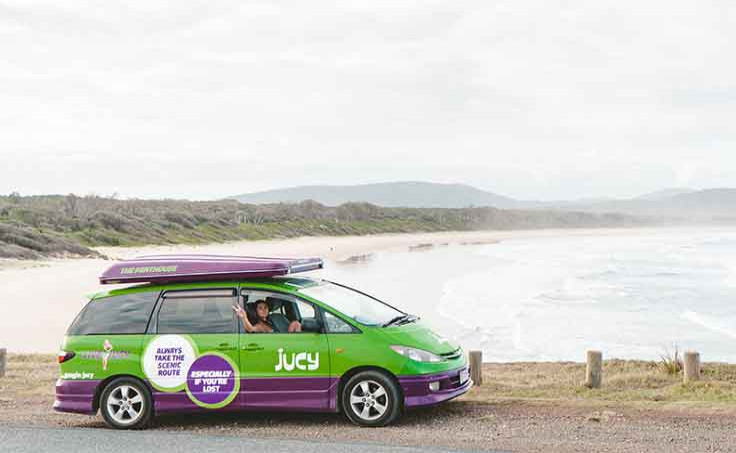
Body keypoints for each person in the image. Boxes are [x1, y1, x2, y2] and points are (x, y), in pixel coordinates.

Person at [233, 299, 301, 333]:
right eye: (260, 308)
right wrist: (244, 317)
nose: (264, 310)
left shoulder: (273, 319)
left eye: (265, 307)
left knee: (295, 323)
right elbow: (250, 329)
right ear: (256, 311)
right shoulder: (259, 325)